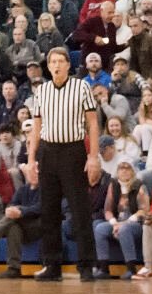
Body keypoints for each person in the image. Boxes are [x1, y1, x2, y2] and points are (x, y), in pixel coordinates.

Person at [26, 46, 100, 279]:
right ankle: (52, 264)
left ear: (68, 64)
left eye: (61, 61)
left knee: (79, 209)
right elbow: (36, 128)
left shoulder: (82, 87)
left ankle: (86, 265)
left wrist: (93, 156)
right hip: (48, 151)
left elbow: (93, 123)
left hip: (73, 150)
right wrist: (30, 159)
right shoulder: (42, 91)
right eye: (53, 61)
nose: (56, 65)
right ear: (48, 66)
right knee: (49, 211)